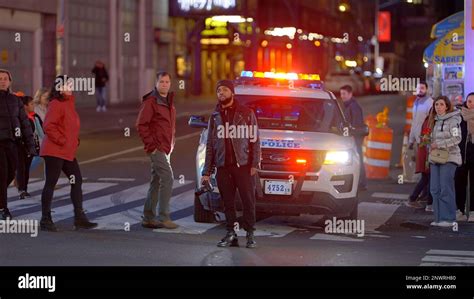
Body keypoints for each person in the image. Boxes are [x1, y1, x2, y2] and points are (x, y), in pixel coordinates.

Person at [201, 80, 261, 248]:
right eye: (219, 90)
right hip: (223, 167)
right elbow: (210, 145)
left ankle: (250, 234)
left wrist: (254, 163)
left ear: (232, 93)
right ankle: (231, 234)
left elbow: (255, 140)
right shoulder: (215, 116)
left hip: (243, 165)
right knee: (227, 203)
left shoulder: (246, 113)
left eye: (225, 90)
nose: (221, 93)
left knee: (248, 201)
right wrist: (207, 171)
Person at [39, 75, 97, 231]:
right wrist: (63, 140)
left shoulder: (69, 103)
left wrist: (74, 140)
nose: (70, 88)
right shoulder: (56, 104)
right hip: (54, 151)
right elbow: (49, 126)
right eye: (66, 85)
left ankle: (79, 218)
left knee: (76, 180)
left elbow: (68, 126)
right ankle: (45, 219)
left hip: (67, 152)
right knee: (51, 183)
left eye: (70, 85)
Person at [136, 71, 178, 230]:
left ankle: (148, 217)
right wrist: (151, 147)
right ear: (156, 83)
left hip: (166, 148)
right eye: (162, 82)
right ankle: (164, 217)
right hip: (157, 148)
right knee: (168, 178)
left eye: (167, 82)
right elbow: (141, 125)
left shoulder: (168, 101)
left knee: (157, 181)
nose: (165, 85)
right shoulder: (151, 102)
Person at [0, 69, 36, 220]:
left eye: (5, 78)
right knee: (2, 175)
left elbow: (25, 123)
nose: (2, 81)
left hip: (13, 143)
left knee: (10, 173)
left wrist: (30, 145)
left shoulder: (15, 100)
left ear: (10, 81)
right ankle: (3, 209)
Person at [428, 96, 462, 228]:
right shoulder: (435, 121)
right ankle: (438, 218)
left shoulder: (454, 120)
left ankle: (448, 218)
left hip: (450, 157)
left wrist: (440, 144)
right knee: (435, 188)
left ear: (447, 106)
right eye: (436, 104)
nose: (438, 107)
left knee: (445, 187)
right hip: (435, 158)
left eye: (441, 104)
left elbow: (457, 137)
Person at [340, 85, 367, 190]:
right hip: (352, 137)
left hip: (355, 138)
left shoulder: (353, 107)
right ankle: (358, 182)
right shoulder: (348, 105)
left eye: (344, 94)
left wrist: (353, 136)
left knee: (357, 160)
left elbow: (356, 124)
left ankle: (361, 183)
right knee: (355, 159)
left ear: (350, 94)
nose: (342, 96)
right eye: (341, 93)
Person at [406, 109, 434, 210]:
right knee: (430, 178)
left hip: (426, 154)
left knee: (426, 178)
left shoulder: (428, 121)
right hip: (427, 155)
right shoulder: (429, 122)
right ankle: (428, 204)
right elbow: (426, 139)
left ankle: (415, 198)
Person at [16, 96, 41, 199]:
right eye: (31, 104)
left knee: (26, 169)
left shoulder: (34, 117)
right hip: (20, 147)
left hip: (30, 146)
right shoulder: (18, 118)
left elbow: (40, 130)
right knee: (21, 169)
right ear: (25, 106)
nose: (33, 106)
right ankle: (21, 190)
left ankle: (24, 189)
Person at [455, 92, 474, 222]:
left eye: (473, 101)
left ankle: (472, 211)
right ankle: (459, 210)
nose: (471, 104)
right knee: (459, 182)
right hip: (462, 153)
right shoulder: (460, 116)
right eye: (469, 101)